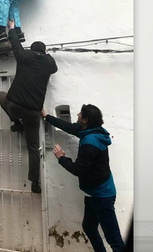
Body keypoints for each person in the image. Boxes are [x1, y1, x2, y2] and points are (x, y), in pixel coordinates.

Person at [42, 104, 125, 252]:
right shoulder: (92, 131)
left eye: (80, 114)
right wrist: (47, 117)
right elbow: (70, 127)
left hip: (102, 195)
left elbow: (79, 169)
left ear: (85, 120)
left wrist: (61, 158)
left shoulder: (90, 142)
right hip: (94, 193)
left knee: (114, 240)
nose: (78, 115)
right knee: (89, 227)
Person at [0, 20, 57, 193]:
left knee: (1, 96)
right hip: (33, 113)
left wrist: (12, 27)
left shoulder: (24, 57)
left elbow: (15, 43)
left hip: (15, 106)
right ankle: (35, 182)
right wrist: (47, 54)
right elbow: (55, 67)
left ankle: (15, 122)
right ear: (44, 53)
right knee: (33, 148)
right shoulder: (48, 63)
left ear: (32, 50)